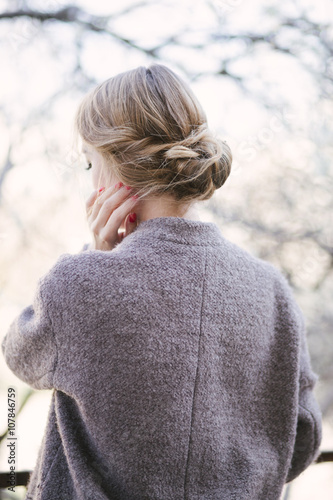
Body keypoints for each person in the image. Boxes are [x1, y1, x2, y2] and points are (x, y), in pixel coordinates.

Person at [2, 64, 322, 500]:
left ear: (117, 163)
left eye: (89, 162)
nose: (90, 179)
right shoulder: (274, 292)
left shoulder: (77, 284)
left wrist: (98, 259)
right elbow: (302, 439)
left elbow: (20, 355)